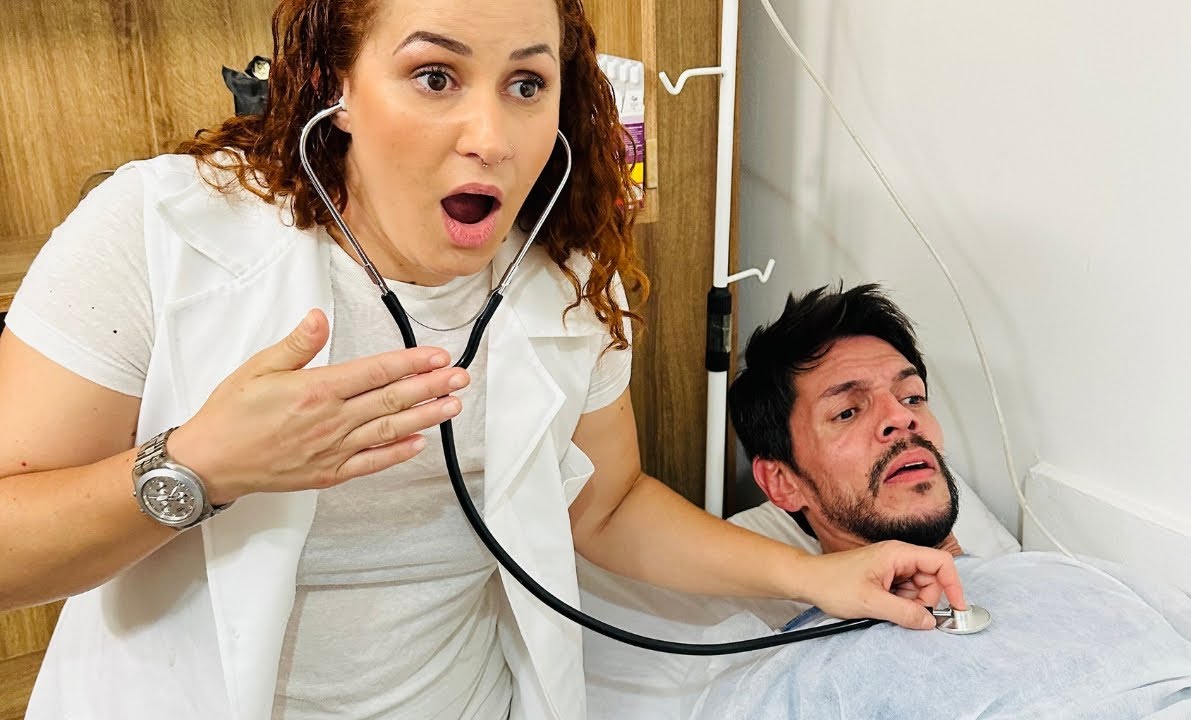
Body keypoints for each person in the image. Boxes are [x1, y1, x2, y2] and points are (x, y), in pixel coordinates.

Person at [0, 2, 969, 719]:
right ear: (335, 84)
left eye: (526, 84)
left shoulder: (567, 279)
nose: (492, 139)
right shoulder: (160, 232)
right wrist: (200, 468)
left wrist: (816, 578)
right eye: (434, 76)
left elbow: (605, 505)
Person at [692, 283, 1191, 719]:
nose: (901, 419)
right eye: (848, 410)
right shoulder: (794, 676)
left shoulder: (1084, 577)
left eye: (912, 397)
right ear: (781, 482)